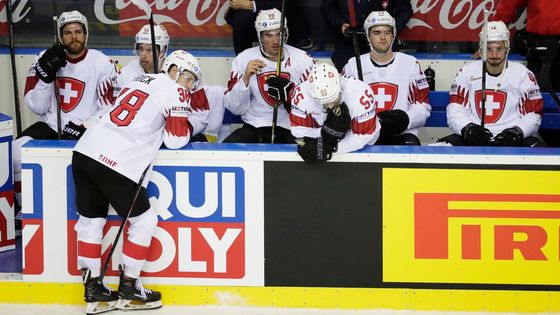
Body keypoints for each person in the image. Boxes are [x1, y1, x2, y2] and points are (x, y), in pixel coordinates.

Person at [71, 49, 198, 314]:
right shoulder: (176, 91)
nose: (190, 87)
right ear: (176, 70)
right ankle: (129, 287)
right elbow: (176, 140)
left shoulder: (138, 81)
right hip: (117, 159)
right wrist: (187, 126)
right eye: (190, 79)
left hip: (85, 151)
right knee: (144, 220)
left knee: (91, 221)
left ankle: (93, 291)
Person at [13, 10, 118, 232]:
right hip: (52, 124)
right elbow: (37, 107)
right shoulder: (44, 57)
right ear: (61, 36)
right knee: (14, 153)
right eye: (68, 32)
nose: (74, 37)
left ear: (86, 34)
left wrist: (86, 126)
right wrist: (45, 78)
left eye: (78, 31)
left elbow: (109, 107)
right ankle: (24, 211)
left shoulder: (102, 62)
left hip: (86, 129)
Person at [438, 21, 545, 147]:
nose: (494, 55)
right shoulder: (467, 72)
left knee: (544, 155)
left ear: (507, 47)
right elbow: (456, 108)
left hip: (511, 139)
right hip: (476, 137)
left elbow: (533, 113)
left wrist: (518, 131)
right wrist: (467, 129)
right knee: (439, 149)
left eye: (498, 49)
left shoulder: (523, 74)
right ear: (481, 48)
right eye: (489, 49)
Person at [223, 8, 315, 143]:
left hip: (292, 127)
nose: (275, 41)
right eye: (269, 35)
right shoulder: (244, 59)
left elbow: (315, 107)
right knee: (227, 151)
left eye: (279, 34)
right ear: (260, 36)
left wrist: (291, 94)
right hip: (254, 125)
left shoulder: (303, 60)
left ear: (286, 33)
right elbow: (235, 108)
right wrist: (245, 79)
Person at [343, 11, 430, 145]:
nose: (383, 37)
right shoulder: (352, 66)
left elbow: (422, 106)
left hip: (402, 134)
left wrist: (406, 119)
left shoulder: (410, 63)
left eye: (387, 32)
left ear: (393, 35)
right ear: (368, 36)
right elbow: (342, 106)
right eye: (377, 33)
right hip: (365, 136)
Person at [493, 0, 560, 147]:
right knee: (540, 105)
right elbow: (508, 5)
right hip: (542, 50)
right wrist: (491, 37)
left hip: (545, 49)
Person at [290, 63, 380, 163]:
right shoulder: (301, 94)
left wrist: (331, 147)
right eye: (322, 101)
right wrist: (324, 134)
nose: (330, 106)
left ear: (339, 84)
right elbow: (299, 131)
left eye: (333, 98)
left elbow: (362, 138)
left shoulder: (361, 95)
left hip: (366, 149)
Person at [321, 0, 412, 72]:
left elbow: (405, 10)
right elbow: (328, 8)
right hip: (349, 44)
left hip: (383, 46)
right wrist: (340, 24)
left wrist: (390, 28)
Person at [225, 0, 313, 55]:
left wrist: (252, 5)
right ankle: (243, 63)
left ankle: (298, 41)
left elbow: (287, 3)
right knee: (241, 17)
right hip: (256, 24)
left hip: (286, 22)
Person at [114, 23, 170, 97]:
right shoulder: (126, 75)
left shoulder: (173, 72)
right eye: (141, 49)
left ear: (163, 51)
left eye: (149, 49)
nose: (142, 56)